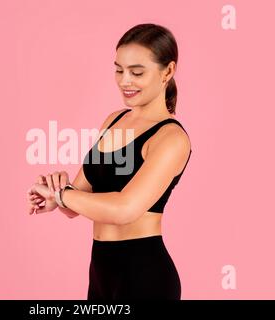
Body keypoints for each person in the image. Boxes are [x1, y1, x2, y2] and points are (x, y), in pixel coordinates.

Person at [27, 23, 192, 300]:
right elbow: (77, 201)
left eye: (137, 72)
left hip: (144, 275)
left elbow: (124, 209)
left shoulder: (171, 138)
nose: (125, 81)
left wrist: (64, 195)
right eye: (118, 70)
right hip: (101, 272)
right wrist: (56, 194)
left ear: (168, 71)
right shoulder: (114, 120)